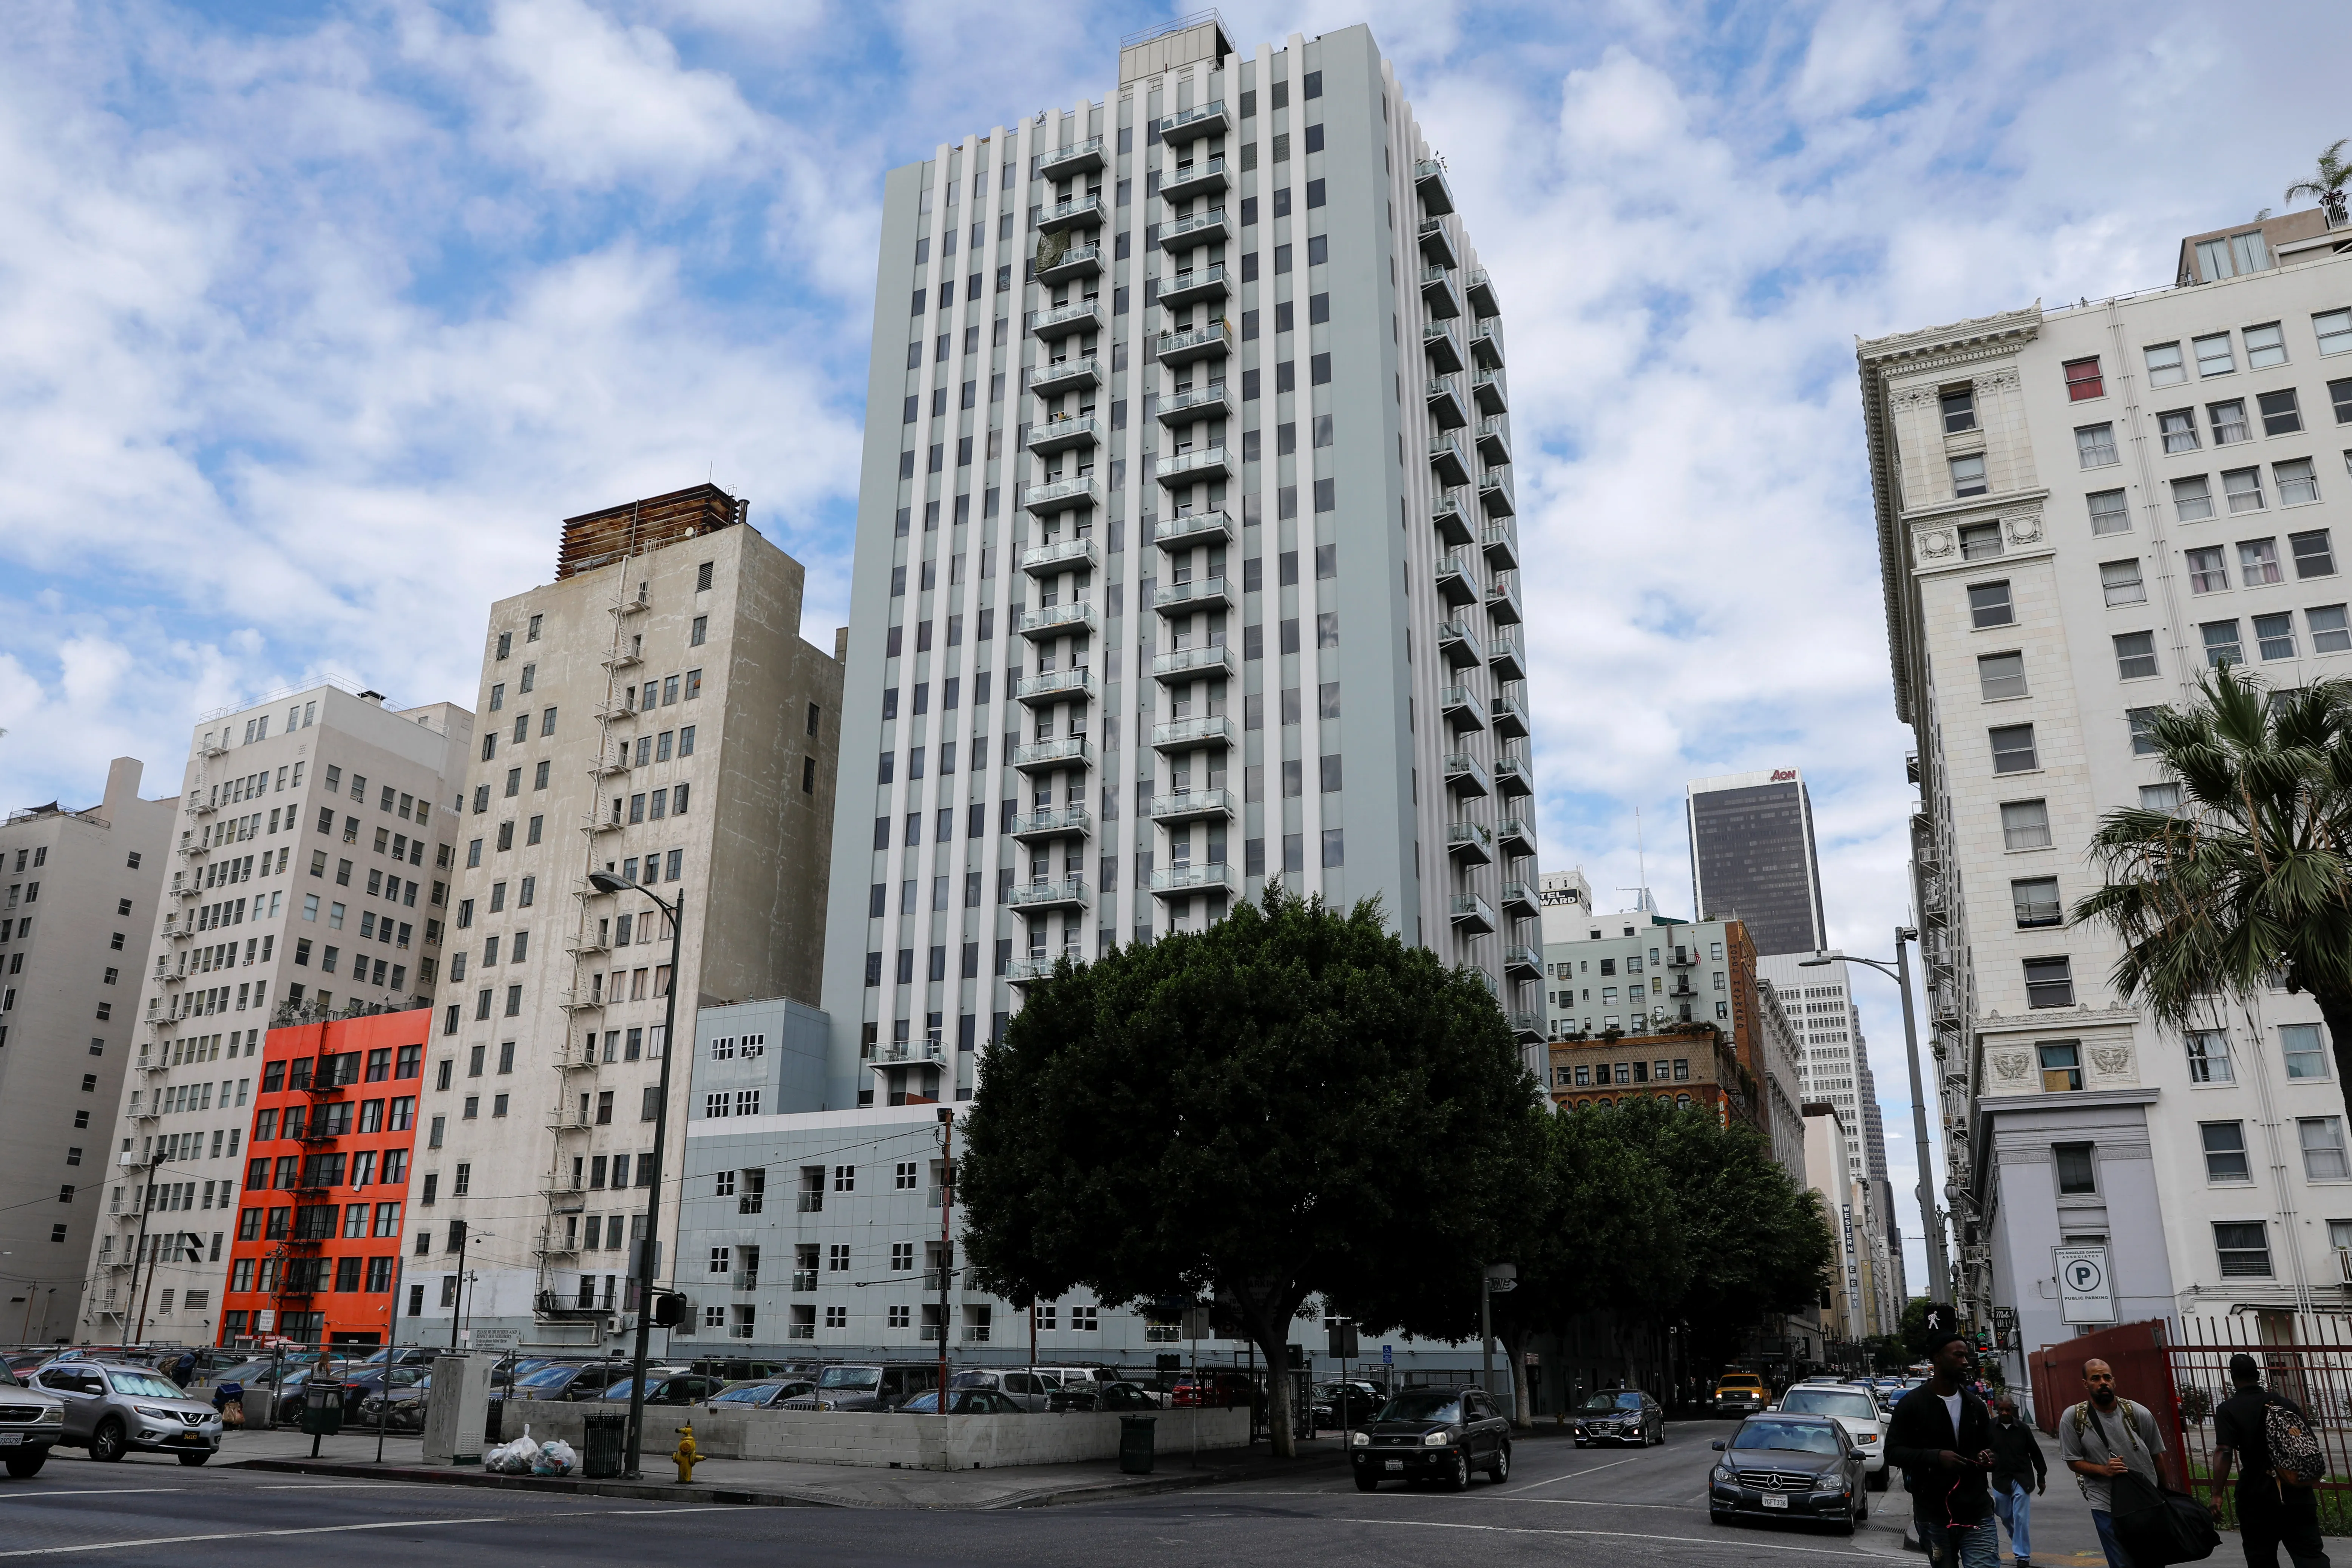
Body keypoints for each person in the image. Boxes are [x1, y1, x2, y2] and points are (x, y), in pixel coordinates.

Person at [1887, 1329, 2000, 1568]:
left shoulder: (1975, 1406)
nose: (1965, 1362)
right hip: (1933, 1515)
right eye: (1958, 1356)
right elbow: (1893, 1452)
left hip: (1976, 1511)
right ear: (1938, 1358)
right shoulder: (1912, 1405)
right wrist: (1935, 1457)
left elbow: (1991, 1448)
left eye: (1966, 1356)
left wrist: (1989, 1457)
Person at [2212, 1352, 2330, 1568]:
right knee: (2310, 1555)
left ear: (2233, 1377)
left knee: (2261, 1557)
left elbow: (2224, 1451)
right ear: (2258, 1375)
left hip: (2257, 1495)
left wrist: (2217, 1494)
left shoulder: (2228, 1409)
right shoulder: (2285, 1404)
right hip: (2297, 1491)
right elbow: (2309, 1443)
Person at [2059, 1358, 2168, 1568]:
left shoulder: (2138, 1413)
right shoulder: (2074, 1418)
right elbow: (2073, 1461)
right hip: (2105, 1504)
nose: (2103, 1383)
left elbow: (2157, 1457)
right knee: (2122, 1563)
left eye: (2107, 1377)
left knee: (2152, 1561)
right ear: (2086, 1384)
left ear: (2114, 1381)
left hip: (2145, 1503)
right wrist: (2103, 1470)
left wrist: (2165, 1493)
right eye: (2096, 1378)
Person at [1989, 1394, 2048, 1568]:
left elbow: (2035, 1453)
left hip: (2022, 1478)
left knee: (2021, 1517)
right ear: (1997, 1410)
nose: (2005, 1413)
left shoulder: (2023, 1429)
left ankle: (2022, 1555)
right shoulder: (1990, 1428)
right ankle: (2018, 1540)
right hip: (2000, 1478)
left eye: (2008, 1410)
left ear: (2013, 1410)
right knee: (2006, 1516)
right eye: (2002, 1410)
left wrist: (2041, 1477)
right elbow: (1982, 1452)